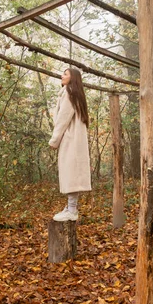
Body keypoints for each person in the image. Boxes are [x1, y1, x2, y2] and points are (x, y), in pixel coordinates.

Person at [49, 68, 92, 221]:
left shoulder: (69, 93)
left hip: (70, 139)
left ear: (72, 78)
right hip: (75, 140)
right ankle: (71, 207)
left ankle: (72, 210)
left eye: (65, 74)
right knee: (73, 173)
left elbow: (62, 119)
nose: (62, 76)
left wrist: (54, 140)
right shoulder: (76, 94)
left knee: (71, 174)